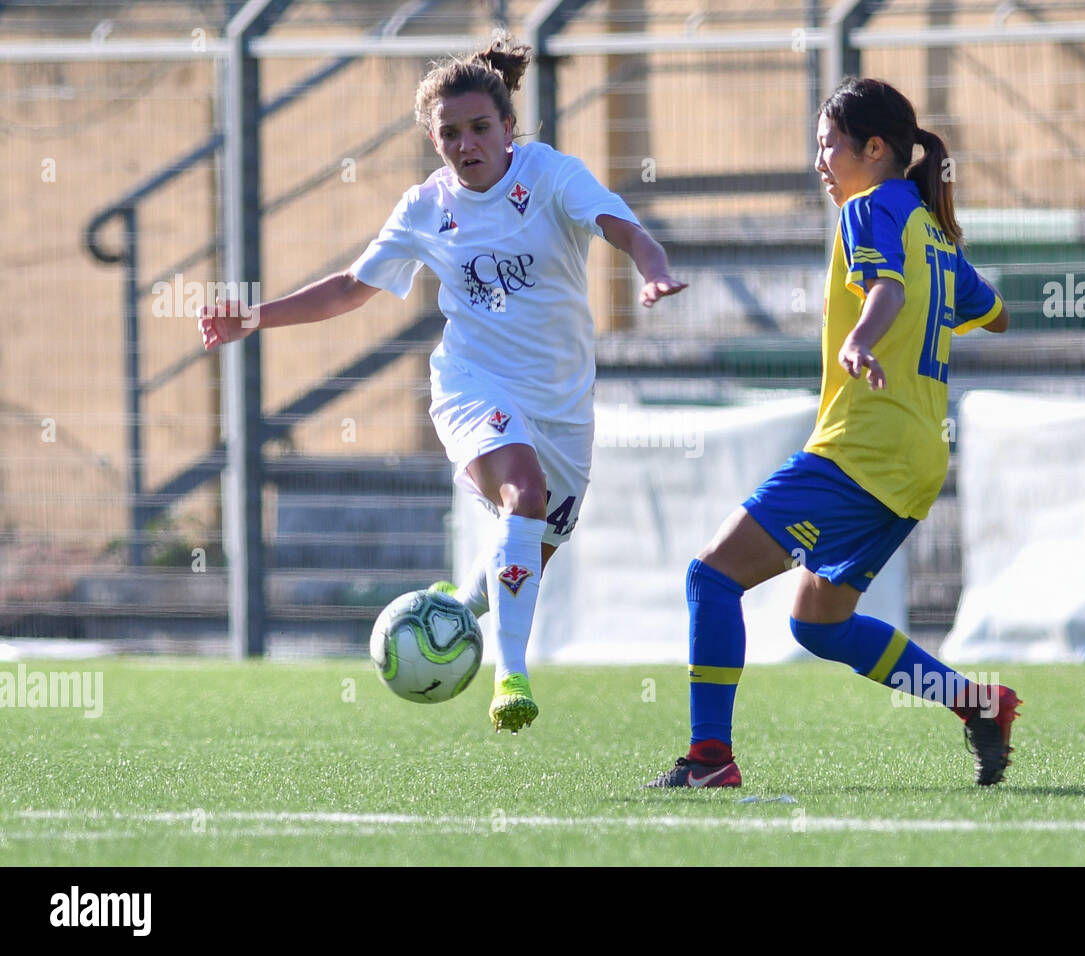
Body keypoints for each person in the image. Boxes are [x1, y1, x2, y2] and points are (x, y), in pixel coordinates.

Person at [199, 37, 686, 734]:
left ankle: (457, 605)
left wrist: (654, 268)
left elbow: (624, 227)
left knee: (526, 552)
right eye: (449, 133)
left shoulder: (550, 176)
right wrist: (253, 316)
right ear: (435, 142)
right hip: (472, 383)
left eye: (479, 127)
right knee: (525, 494)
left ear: (508, 127)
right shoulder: (426, 206)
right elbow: (349, 288)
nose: (466, 144)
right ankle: (511, 675)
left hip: (563, 405)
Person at [645, 77, 1019, 789]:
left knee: (712, 575)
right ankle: (977, 702)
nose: (820, 162)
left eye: (828, 146)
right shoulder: (930, 230)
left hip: (861, 447)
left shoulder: (869, 207)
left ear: (874, 149)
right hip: (915, 462)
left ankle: (708, 759)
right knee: (818, 623)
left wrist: (864, 342)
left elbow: (887, 291)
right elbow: (995, 312)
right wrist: (940, 298)